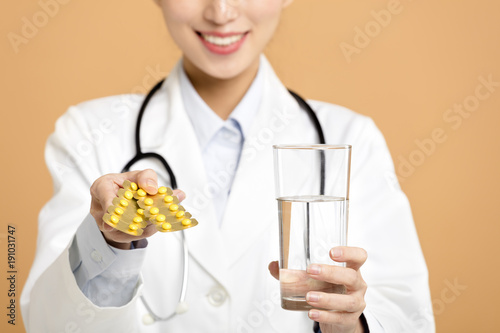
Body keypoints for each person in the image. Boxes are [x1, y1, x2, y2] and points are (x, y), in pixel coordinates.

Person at [21, 0, 435, 332]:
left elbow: (410, 319)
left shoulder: (352, 139)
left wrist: (353, 325)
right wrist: (108, 243)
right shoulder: (89, 132)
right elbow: (48, 324)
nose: (220, 12)